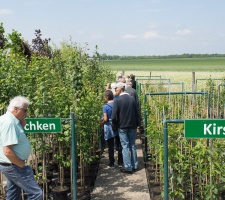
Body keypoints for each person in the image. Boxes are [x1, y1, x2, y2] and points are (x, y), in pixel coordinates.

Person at [0, 96, 42, 200]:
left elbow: (12, 139)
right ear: (15, 109)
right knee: (36, 194)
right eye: (25, 110)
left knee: (13, 194)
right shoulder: (9, 123)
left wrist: (21, 126)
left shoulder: (8, 120)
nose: (26, 113)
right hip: (14, 165)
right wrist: (22, 165)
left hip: (10, 165)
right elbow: (7, 151)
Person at [112, 82, 140, 174]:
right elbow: (136, 113)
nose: (115, 90)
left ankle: (128, 167)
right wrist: (137, 124)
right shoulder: (132, 99)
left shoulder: (118, 100)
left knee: (125, 146)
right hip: (132, 126)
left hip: (122, 126)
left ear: (120, 89)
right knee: (132, 145)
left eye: (116, 89)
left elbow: (113, 116)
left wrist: (115, 125)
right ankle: (135, 165)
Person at [100, 90, 123, 169]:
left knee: (110, 146)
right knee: (119, 145)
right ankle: (120, 162)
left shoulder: (105, 107)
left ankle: (112, 163)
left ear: (106, 97)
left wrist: (101, 122)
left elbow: (105, 119)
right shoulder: (117, 104)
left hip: (109, 128)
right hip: (117, 126)